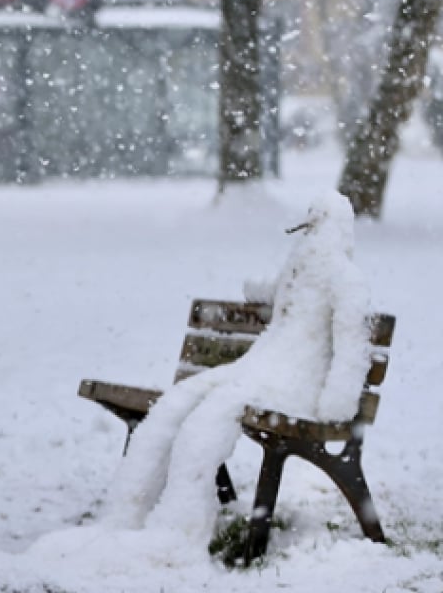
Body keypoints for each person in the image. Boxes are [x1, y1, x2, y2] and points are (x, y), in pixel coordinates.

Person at [99, 191, 374, 545]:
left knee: (208, 418)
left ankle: (177, 532)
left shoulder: (346, 280)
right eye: (308, 227)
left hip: (294, 386)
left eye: (316, 225)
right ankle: (124, 516)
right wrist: (258, 289)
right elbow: (274, 294)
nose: (309, 236)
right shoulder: (299, 269)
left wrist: (337, 404)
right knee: (174, 405)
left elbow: (353, 349)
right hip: (257, 366)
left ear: (336, 230)